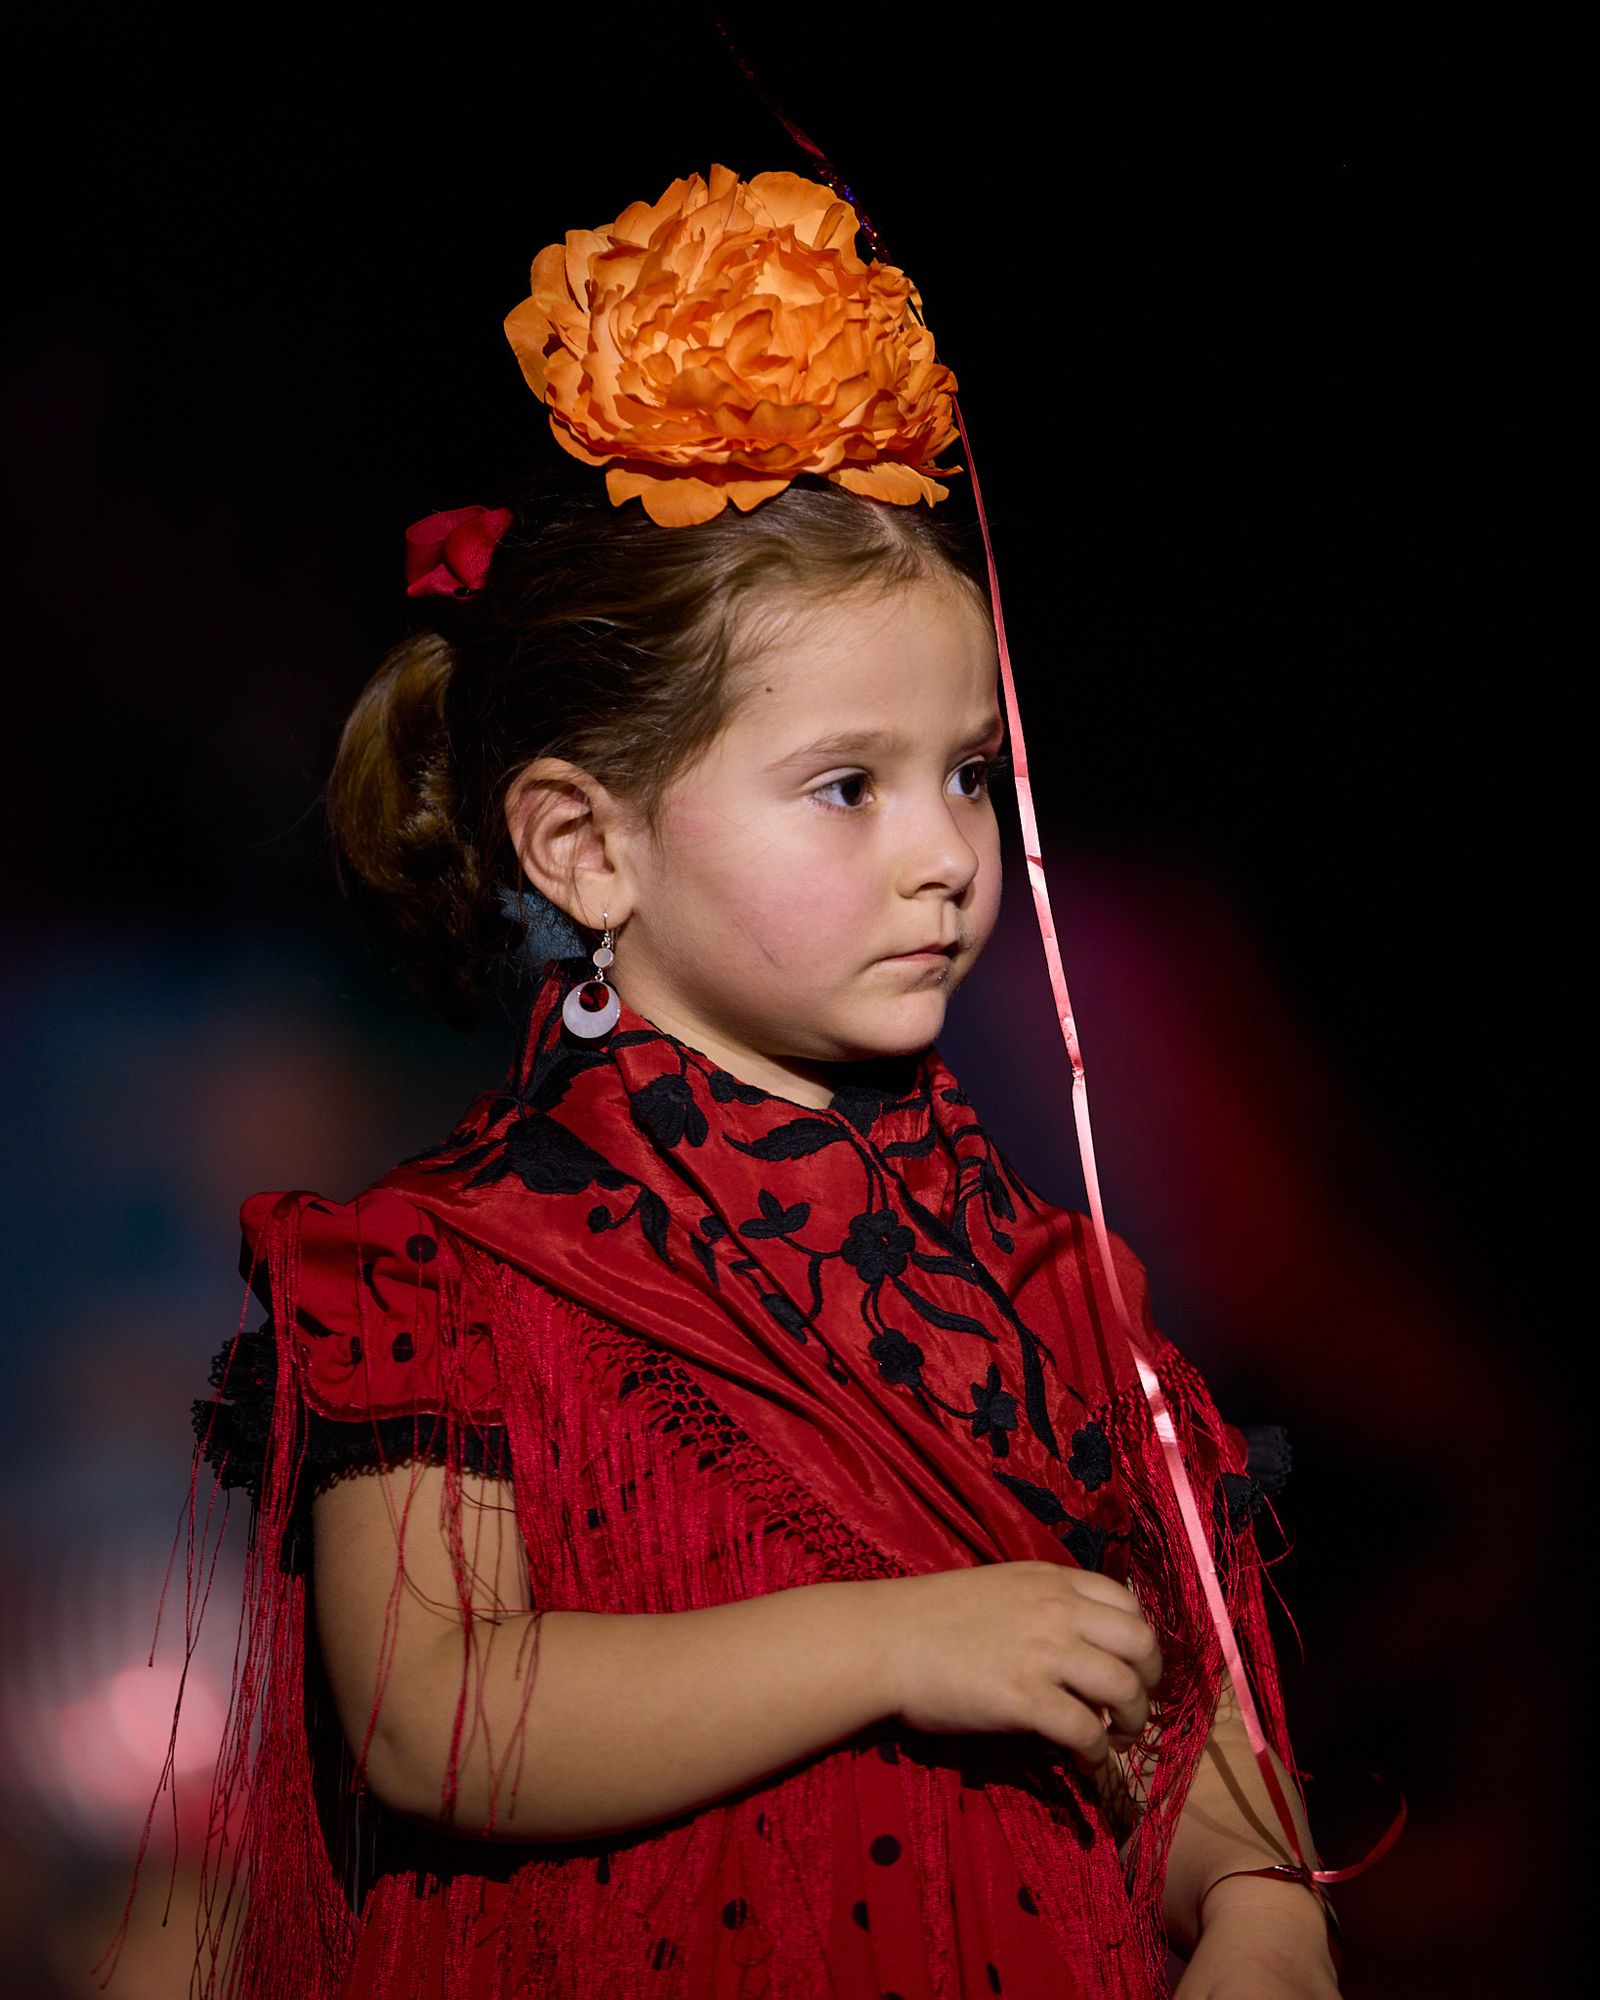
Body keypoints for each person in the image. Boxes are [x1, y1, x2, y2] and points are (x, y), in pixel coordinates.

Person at [185, 167, 1338, 1999]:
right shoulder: (444, 1274)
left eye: (966, 772)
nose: (948, 853)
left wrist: (1258, 1899)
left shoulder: (1043, 1281)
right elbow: (441, 1717)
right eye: (845, 786)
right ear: (585, 846)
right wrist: (891, 1641)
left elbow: (1149, 1693)